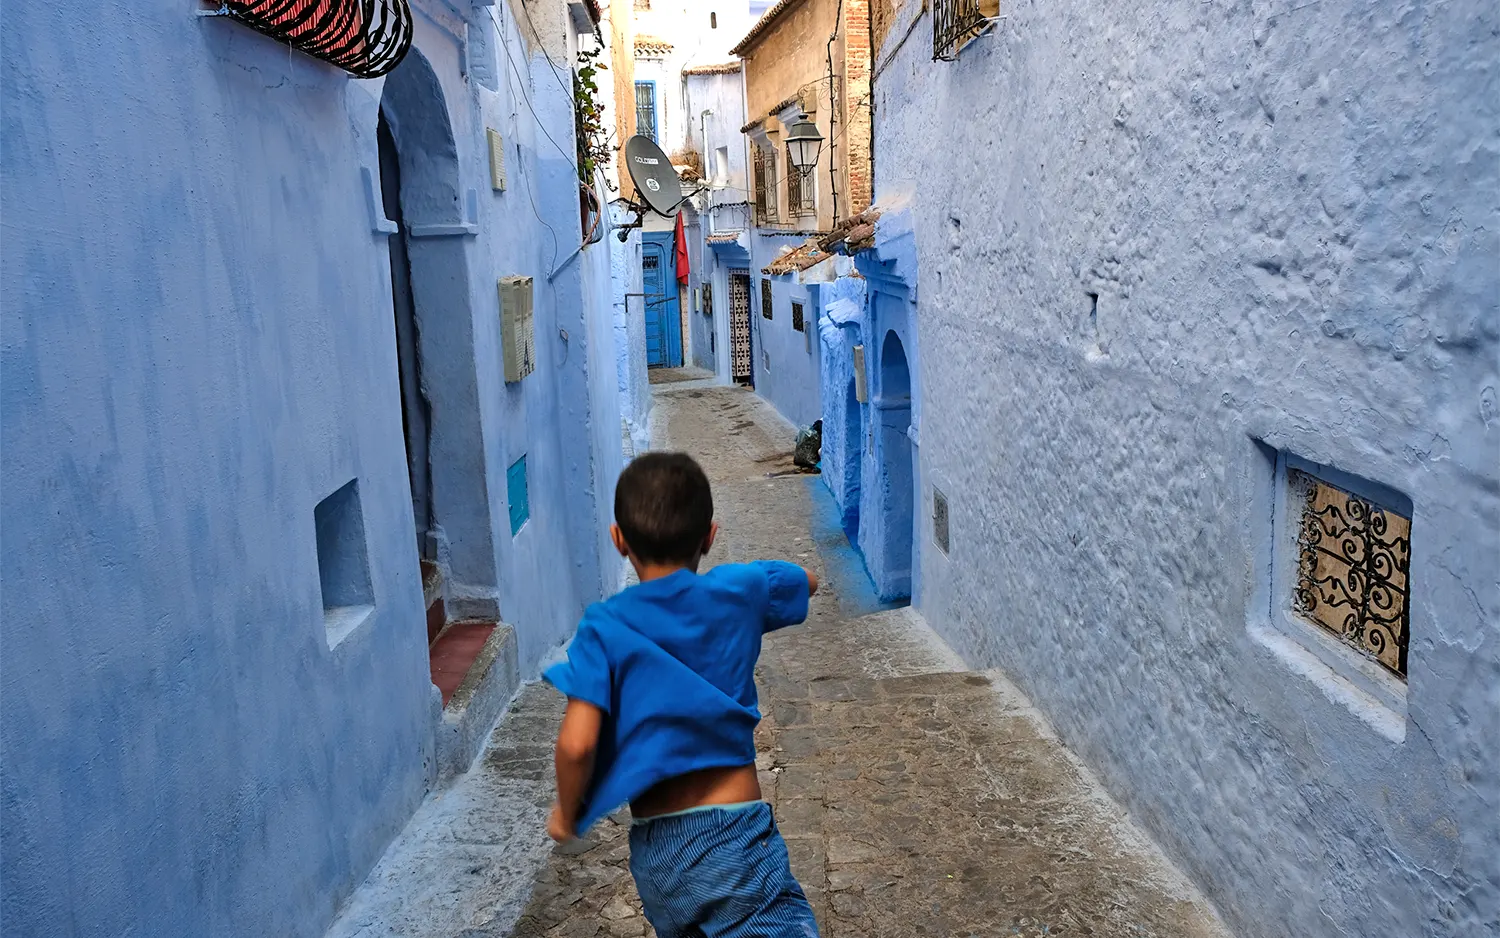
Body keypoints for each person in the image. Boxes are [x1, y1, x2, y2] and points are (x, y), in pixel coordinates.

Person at [543, 451, 822, 937]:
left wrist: (566, 816)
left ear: (619, 541)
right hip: (735, 844)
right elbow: (809, 583)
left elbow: (576, 744)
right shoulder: (740, 589)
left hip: (658, 858)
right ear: (710, 538)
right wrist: (751, 586)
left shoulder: (603, 628)